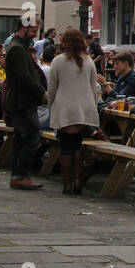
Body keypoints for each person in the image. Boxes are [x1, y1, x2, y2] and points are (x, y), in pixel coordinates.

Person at [48, 28, 102, 196]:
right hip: (84, 107)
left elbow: (52, 89)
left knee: (65, 147)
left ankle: (67, 184)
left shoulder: (58, 61)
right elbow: (94, 88)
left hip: (65, 106)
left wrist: (52, 107)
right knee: (77, 146)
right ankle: (78, 182)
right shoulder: (89, 61)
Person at [3, 18, 48, 190]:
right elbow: (24, 77)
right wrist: (41, 91)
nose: (36, 34)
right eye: (34, 30)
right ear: (24, 28)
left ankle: (18, 174)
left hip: (20, 101)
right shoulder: (18, 49)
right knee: (31, 137)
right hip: (22, 101)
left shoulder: (17, 46)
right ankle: (20, 174)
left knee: (21, 139)